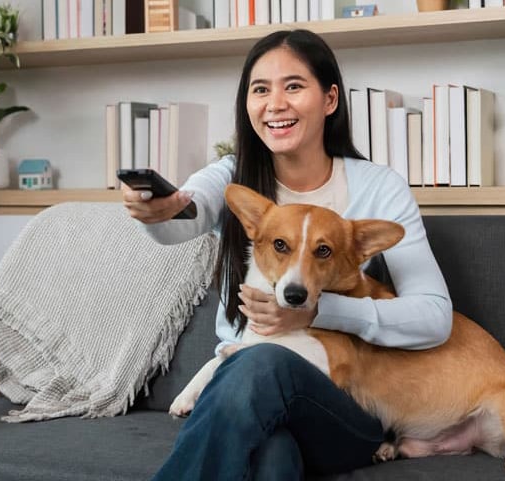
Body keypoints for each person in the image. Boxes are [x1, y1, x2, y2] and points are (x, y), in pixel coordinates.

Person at [123, 29, 453, 480]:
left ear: (330, 98)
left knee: (257, 361)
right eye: (260, 90)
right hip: (244, 400)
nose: (275, 103)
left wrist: (316, 313)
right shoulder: (232, 177)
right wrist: (160, 210)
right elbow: (188, 209)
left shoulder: (380, 188)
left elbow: (434, 317)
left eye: (293, 86)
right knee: (271, 459)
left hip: (341, 410)